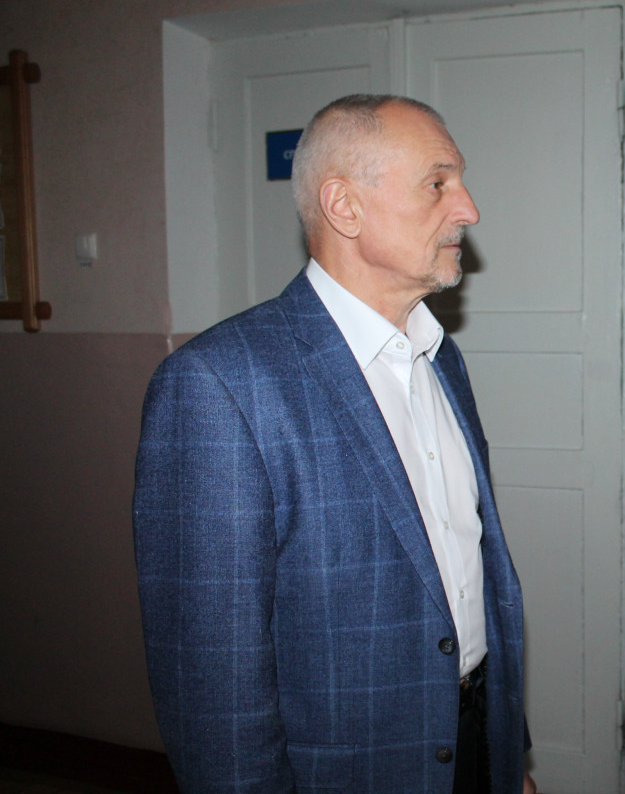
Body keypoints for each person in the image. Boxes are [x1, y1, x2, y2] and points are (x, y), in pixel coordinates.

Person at [134, 94, 536, 794]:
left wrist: (507, 757)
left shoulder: (441, 358)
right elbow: (212, 683)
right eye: (437, 183)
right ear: (344, 207)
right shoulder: (218, 386)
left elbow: (470, 578)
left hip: (475, 743)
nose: (469, 209)